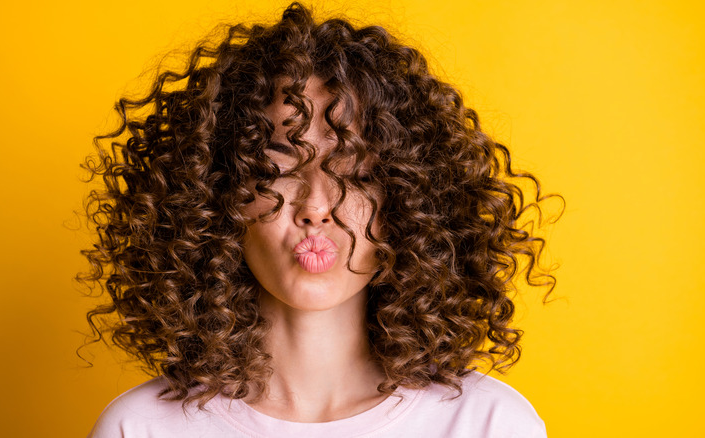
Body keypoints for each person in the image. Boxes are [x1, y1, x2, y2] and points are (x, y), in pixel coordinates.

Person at [81, 2, 560, 436]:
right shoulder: (140, 429)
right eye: (279, 169)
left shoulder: (489, 424)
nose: (316, 207)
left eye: (356, 174)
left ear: (410, 204)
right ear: (216, 197)